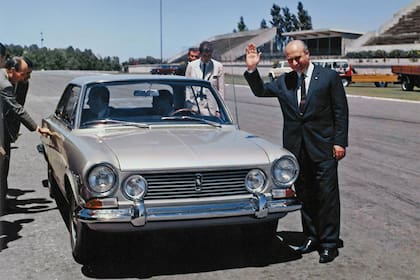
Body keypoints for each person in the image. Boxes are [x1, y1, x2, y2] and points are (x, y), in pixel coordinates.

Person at [243, 40, 349, 264]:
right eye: (290, 59)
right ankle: (311, 236)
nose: (294, 63)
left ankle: (329, 244)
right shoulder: (285, 81)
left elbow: (340, 111)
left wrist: (340, 142)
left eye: (298, 58)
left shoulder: (328, 78)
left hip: (324, 148)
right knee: (305, 194)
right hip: (297, 150)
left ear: (307, 54)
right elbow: (261, 90)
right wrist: (253, 69)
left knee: (327, 197)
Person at [0, 56, 51, 214]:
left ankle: (2, 203)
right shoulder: (4, 84)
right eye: (24, 74)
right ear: (12, 70)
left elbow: (18, 105)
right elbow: (17, 108)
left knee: (4, 166)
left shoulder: (21, 83)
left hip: (6, 128)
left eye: (29, 74)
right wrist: (36, 128)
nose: (27, 78)